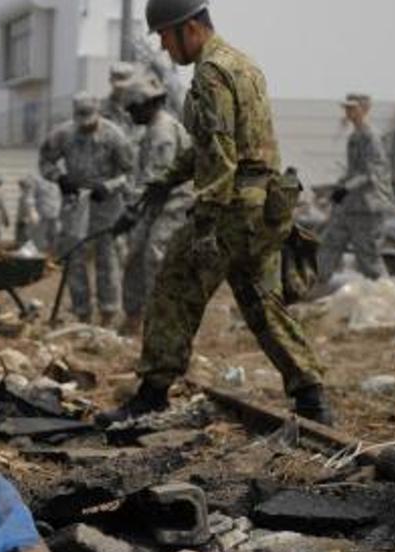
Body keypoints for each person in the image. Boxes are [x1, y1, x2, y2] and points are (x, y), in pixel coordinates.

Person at [98, 0, 333, 426]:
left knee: (173, 287)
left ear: (188, 28)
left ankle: (152, 394)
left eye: (166, 38)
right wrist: (163, 181)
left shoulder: (209, 73)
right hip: (264, 206)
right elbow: (211, 143)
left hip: (231, 208)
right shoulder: (242, 63)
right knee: (262, 302)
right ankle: (312, 398)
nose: (166, 50)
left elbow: (222, 156)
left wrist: (204, 222)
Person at [40, 93, 136, 326]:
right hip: (76, 200)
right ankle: (82, 312)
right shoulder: (62, 134)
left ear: (98, 114)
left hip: (106, 202)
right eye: (81, 121)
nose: (86, 126)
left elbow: (131, 171)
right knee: (75, 257)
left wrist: (110, 186)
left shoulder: (115, 136)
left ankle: (108, 312)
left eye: (90, 121)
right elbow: (45, 162)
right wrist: (60, 178)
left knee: (107, 258)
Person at [120, 73, 194, 337]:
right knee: (135, 254)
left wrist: (131, 212)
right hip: (155, 201)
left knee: (156, 255)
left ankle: (163, 321)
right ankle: (134, 316)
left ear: (145, 104)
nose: (130, 116)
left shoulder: (163, 131)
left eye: (132, 109)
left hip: (174, 201)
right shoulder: (152, 129)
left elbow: (156, 180)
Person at [317, 94, 393, 283]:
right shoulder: (355, 136)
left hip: (367, 209)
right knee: (328, 248)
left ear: (365, 109)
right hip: (349, 208)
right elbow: (353, 172)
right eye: (346, 108)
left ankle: (388, 298)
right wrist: (333, 192)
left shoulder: (371, 137)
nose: (348, 112)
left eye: (352, 108)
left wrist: (344, 189)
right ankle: (313, 289)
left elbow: (371, 173)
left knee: (368, 260)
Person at [34, 177, 61, 254]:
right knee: (45, 235)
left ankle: (50, 252)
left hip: (53, 215)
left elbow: (58, 200)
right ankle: (45, 252)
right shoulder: (43, 187)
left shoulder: (55, 187)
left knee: (52, 235)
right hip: (46, 214)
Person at [16, 177, 40, 244]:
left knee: (25, 237)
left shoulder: (28, 197)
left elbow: (29, 208)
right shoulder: (25, 196)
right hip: (24, 218)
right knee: (23, 237)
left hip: (26, 219)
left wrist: (31, 218)